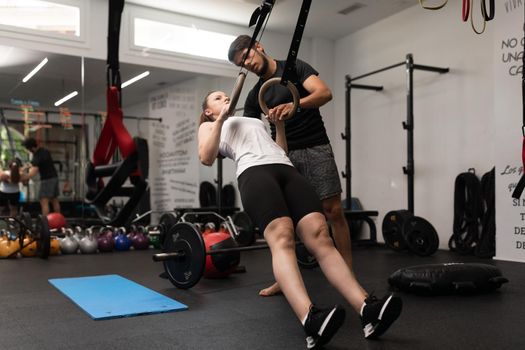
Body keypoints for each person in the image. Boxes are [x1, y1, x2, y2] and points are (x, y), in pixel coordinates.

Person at [198, 90, 402, 349]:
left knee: (320, 235)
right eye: (217, 98)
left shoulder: (254, 121)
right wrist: (220, 120)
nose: (225, 98)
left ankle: (367, 310)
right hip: (254, 173)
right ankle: (311, 320)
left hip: (285, 168)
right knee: (283, 237)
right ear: (208, 111)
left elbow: (280, 149)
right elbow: (206, 157)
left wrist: (279, 126)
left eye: (226, 95)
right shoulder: (210, 126)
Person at [228, 35, 362, 297]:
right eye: (240, 64)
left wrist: (294, 105)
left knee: (332, 210)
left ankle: (348, 273)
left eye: (246, 57)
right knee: (285, 223)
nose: (247, 64)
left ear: (258, 47)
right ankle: (285, 279)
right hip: (281, 156)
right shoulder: (256, 95)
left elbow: (324, 93)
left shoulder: (295, 67)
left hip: (315, 146)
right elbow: (249, 130)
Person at [21, 137, 60, 215]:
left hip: (47, 180)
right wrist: (23, 168)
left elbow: (32, 173)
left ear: (31, 147)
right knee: (54, 200)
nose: (28, 150)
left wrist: (21, 178)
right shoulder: (44, 151)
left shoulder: (38, 156)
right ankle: (59, 221)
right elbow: (32, 163)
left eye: (27, 148)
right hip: (54, 178)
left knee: (43, 201)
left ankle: (45, 223)